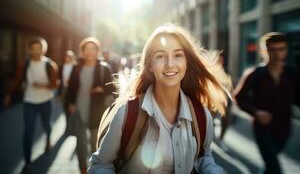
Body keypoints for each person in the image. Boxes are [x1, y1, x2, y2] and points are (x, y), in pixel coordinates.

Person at [88, 24, 231, 174]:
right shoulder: (127, 114)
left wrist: (213, 170)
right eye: (161, 56)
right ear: (150, 65)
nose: (170, 64)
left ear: (186, 62)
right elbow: (100, 165)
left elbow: (203, 157)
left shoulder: (201, 115)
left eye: (178, 55)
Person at [234, 32, 300, 174]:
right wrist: (256, 112)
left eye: (281, 49)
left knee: (270, 165)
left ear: (286, 50)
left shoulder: (292, 73)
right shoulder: (255, 74)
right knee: (274, 168)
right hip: (263, 128)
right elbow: (238, 98)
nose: (277, 54)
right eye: (272, 50)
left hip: (284, 127)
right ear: (264, 51)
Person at [3, 37, 58, 173]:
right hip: (29, 101)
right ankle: (27, 162)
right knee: (28, 131)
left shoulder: (50, 65)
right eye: (32, 49)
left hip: (45, 101)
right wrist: (8, 94)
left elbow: (54, 85)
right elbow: (17, 80)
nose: (35, 51)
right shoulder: (24, 64)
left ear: (43, 49)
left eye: (38, 48)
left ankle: (48, 139)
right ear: (29, 50)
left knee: (46, 125)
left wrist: (42, 85)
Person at [65, 37, 115, 174]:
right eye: (86, 49)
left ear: (97, 51)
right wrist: (70, 103)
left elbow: (112, 90)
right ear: (82, 51)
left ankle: (94, 169)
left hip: (97, 111)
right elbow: (71, 88)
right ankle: (82, 169)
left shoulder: (104, 68)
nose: (89, 52)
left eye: (93, 49)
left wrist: (102, 90)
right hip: (79, 108)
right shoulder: (77, 67)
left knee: (96, 143)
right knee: (81, 143)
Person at [58, 50, 77, 125]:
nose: (67, 58)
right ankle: (67, 123)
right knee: (64, 106)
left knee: (71, 106)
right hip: (64, 89)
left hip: (72, 89)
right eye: (66, 56)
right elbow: (59, 78)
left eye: (69, 56)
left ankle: (72, 123)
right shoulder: (62, 66)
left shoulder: (75, 66)